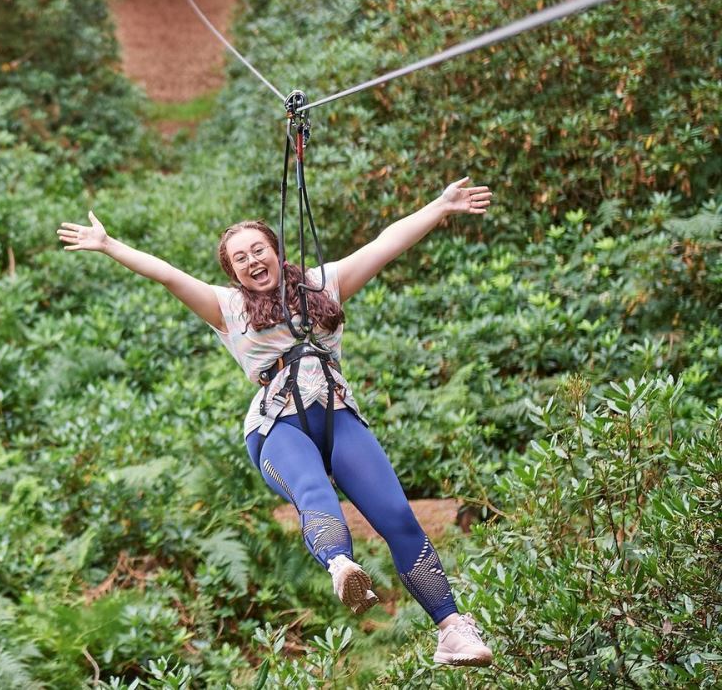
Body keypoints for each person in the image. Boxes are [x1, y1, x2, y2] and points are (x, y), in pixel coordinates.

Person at [56, 177, 496, 668]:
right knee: (314, 492)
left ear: (275, 248)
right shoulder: (228, 309)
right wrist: (109, 244)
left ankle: (452, 629)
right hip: (276, 428)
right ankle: (340, 564)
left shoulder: (323, 284)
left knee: (397, 517)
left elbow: (384, 244)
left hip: (338, 416)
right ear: (232, 271)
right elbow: (168, 275)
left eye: (258, 249)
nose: (252, 261)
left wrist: (439, 208)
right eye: (240, 258)